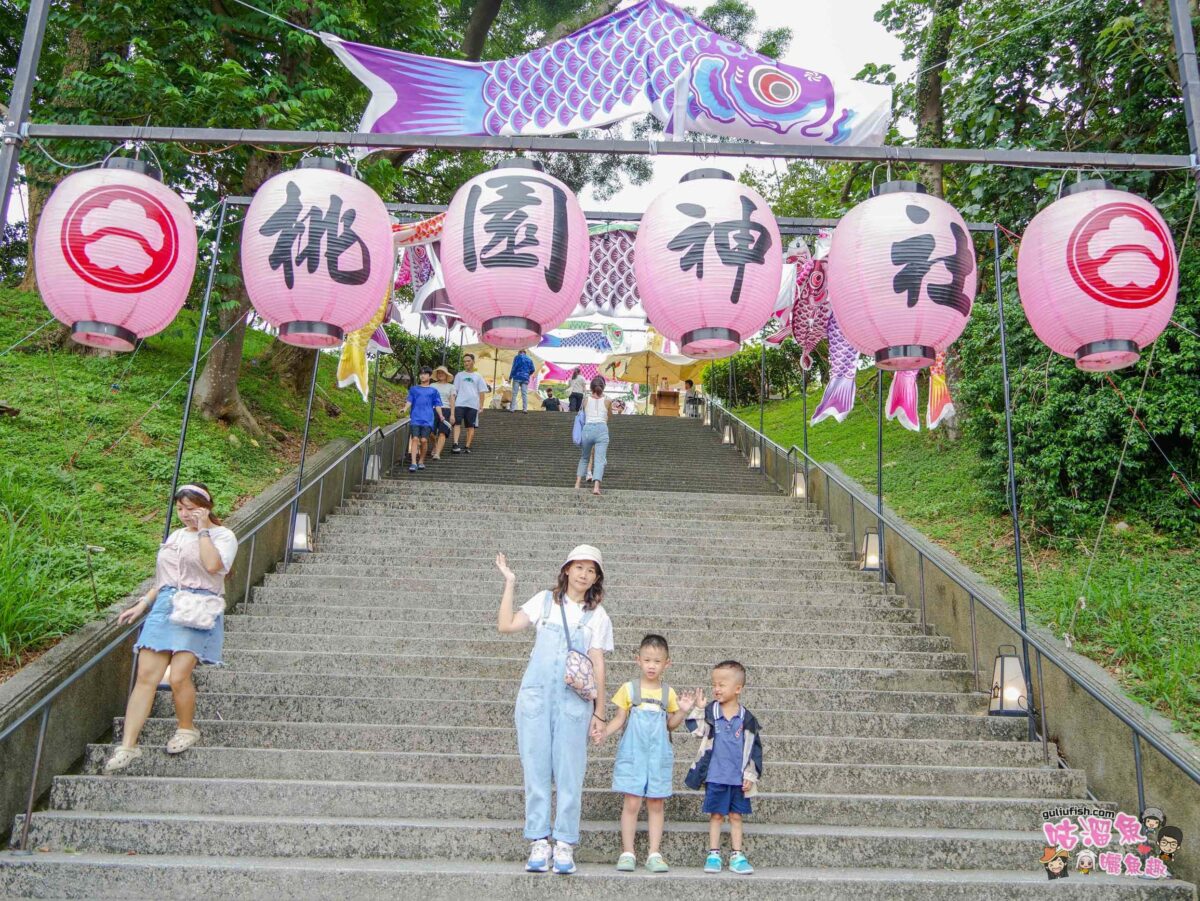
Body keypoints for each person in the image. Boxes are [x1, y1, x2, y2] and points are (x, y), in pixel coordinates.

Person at [495, 545, 614, 875]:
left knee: (570, 772)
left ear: (596, 579)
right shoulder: (543, 601)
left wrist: (600, 712)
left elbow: (599, 664)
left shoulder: (598, 616)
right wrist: (510, 582)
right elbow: (506, 625)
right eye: (578, 567)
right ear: (566, 570)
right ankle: (538, 840)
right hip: (535, 697)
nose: (583, 574)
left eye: (591, 570)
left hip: (574, 702)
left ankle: (564, 842)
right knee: (534, 768)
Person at [104, 484, 238, 773]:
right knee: (145, 677)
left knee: (178, 676)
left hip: (198, 605)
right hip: (165, 604)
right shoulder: (176, 535)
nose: (185, 514)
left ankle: (187, 728)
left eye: (191, 508)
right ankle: (128, 746)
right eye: (180, 509)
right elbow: (163, 579)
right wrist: (142, 604)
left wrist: (203, 530)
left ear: (207, 507)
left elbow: (214, 566)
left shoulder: (223, 536)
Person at [597, 634, 699, 873]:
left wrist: (683, 711)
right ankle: (628, 851)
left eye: (657, 661)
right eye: (647, 660)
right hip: (633, 754)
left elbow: (670, 725)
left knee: (656, 802)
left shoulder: (668, 692)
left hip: (658, 756)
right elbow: (620, 719)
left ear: (667, 664)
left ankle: (654, 852)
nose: (652, 665)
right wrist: (604, 732)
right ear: (638, 660)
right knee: (631, 801)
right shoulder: (628, 689)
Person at [684, 660, 763, 876]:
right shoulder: (711, 712)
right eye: (714, 684)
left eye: (722, 684)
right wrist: (699, 708)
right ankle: (714, 853)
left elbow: (754, 750)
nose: (716, 689)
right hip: (715, 776)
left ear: (738, 689)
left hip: (738, 779)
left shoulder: (748, 719)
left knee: (736, 816)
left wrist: (750, 775)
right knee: (717, 815)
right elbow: (696, 730)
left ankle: (737, 855)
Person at [404, 366, 446, 472]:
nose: (422, 376)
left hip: (427, 419)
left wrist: (441, 415)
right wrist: (404, 408)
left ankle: (421, 461)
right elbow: (409, 401)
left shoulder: (433, 391)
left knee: (423, 440)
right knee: (414, 439)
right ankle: (413, 462)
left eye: (425, 374)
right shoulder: (414, 389)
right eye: (421, 374)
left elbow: (437, 405)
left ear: (429, 376)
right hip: (415, 418)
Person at [575, 376, 611, 496]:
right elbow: (609, 416)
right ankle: (596, 487)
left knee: (584, 458)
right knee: (599, 460)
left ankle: (577, 484)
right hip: (601, 429)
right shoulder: (608, 400)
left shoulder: (585, 400)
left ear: (591, 387)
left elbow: (584, 413)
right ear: (603, 387)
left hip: (587, 430)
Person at [451, 353, 490, 454]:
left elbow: (482, 392)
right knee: (457, 423)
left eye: (468, 361)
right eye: (464, 361)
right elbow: (454, 390)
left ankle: (467, 446)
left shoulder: (478, 376)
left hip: (473, 404)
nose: (466, 363)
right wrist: (452, 403)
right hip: (460, 403)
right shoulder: (459, 375)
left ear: (473, 361)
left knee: (470, 426)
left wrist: (481, 405)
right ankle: (455, 443)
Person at [430, 366, 455, 459]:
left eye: (442, 373)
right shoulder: (432, 385)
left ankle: (437, 453)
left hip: (446, 409)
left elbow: (452, 401)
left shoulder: (451, 386)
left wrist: (452, 414)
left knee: (442, 432)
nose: (440, 374)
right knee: (429, 431)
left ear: (446, 375)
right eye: (439, 373)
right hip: (433, 409)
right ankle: (435, 445)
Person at [509, 348, 536, 413]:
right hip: (525, 378)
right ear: (525, 352)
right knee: (524, 394)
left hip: (517, 377)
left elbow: (514, 367)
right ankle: (525, 409)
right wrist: (527, 374)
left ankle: (512, 409)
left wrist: (510, 377)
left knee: (514, 393)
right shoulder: (529, 359)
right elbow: (533, 369)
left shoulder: (517, 357)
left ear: (519, 352)